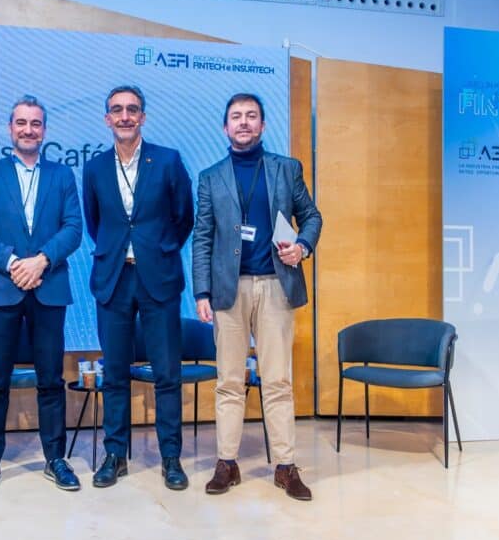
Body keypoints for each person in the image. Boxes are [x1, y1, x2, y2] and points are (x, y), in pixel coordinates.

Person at [192, 93, 322, 501]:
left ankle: (285, 466)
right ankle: (226, 464)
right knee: (229, 381)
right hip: (228, 291)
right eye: (236, 117)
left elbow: (313, 216)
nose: (244, 123)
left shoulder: (286, 169)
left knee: (278, 381)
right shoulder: (211, 177)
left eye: (251, 116)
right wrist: (201, 291)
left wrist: (301, 246)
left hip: (275, 286)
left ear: (263, 125)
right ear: (225, 127)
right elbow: (203, 237)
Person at [0, 95, 83, 493]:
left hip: (49, 287)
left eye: (35, 123)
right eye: (21, 123)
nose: (28, 129)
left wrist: (41, 261)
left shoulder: (62, 175)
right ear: (10, 128)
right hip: (2, 287)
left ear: (44, 130)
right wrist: (15, 262)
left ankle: (56, 458)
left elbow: (73, 228)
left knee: (51, 379)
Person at [82, 86, 194, 490]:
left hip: (158, 277)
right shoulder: (94, 168)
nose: (125, 116)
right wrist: (120, 250)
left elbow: (184, 217)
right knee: (114, 372)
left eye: (132, 110)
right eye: (117, 110)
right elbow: (95, 223)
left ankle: (170, 458)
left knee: (166, 372)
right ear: (107, 119)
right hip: (113, 278)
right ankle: (115, 455)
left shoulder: (167, 160)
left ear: (143, 117)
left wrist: (160, 249)